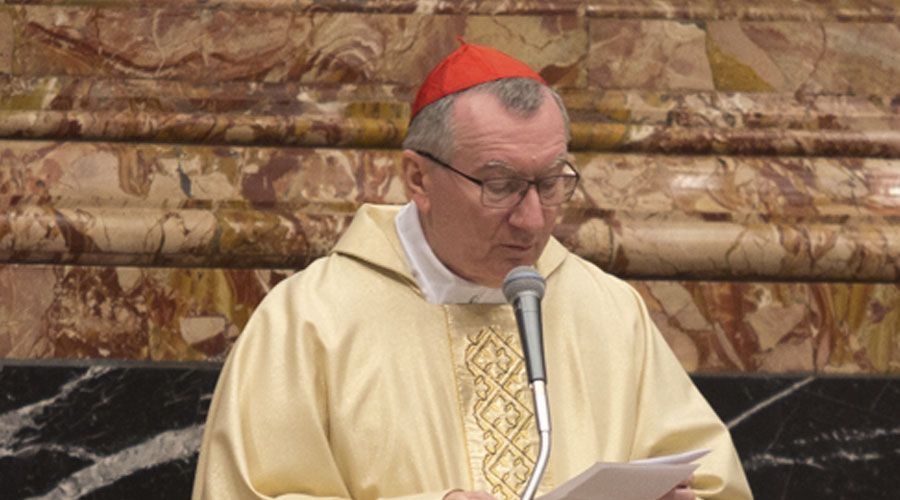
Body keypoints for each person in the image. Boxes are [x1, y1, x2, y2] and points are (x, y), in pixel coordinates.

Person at [193, 42, 752, 500]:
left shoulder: (608, 310)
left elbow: (712, 482)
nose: (532, 219)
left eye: (551, 183)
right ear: (418, 179)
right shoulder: (309, 322)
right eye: (500, 186)